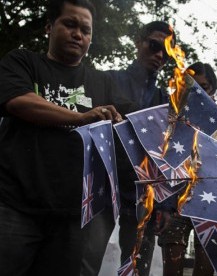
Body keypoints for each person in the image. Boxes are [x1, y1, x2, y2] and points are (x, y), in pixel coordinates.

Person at [0, 0, 134, 275]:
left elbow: (129, 129)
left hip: (74, 217)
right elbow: (17, 101)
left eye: (85, 30)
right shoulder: (22, 61)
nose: (78, 34)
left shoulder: (104, 83)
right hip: (14, 207)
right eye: (70, 24)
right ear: (50, 26)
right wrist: (80, 117)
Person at [100, 21, 175, 276]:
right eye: (154, 45)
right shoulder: (107, 79)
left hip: (143, 193)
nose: (159, 55)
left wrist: (165, 204)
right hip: (103, 187)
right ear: (138, 42)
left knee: (137, 268)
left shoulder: (165, 100)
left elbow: (168, 152)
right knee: (88, 259)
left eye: (166, 52)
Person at [157, 61, 217, 276]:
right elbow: (163, 162)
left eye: (205, 86)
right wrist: (164, 206)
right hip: (177, 201)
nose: (200, 92)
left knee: (205, 266)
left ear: (213, 89)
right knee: (172, 267)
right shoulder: (172, 118)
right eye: (193, 87)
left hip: (211, 200)